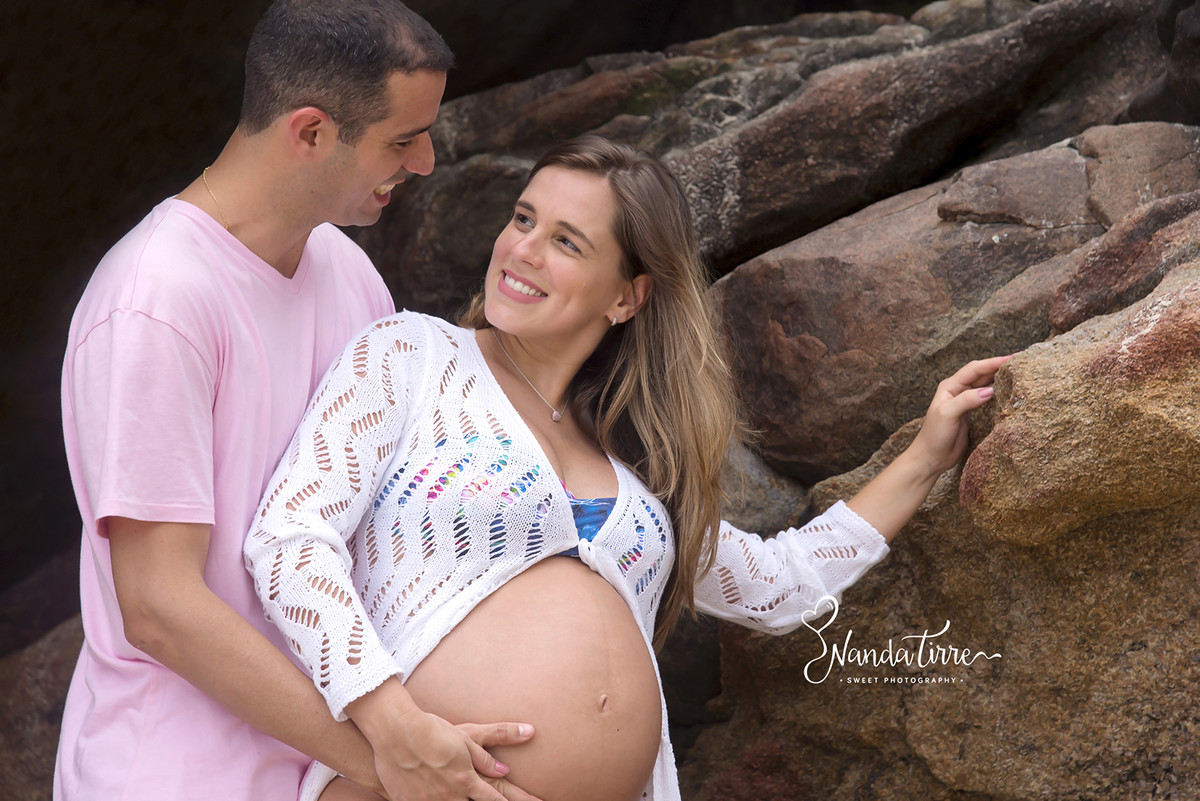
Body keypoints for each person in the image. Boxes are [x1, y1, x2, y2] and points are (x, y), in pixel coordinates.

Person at [245, 135, 1011, 801]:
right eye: (523, 219)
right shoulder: (412, 355)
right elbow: (290, 541)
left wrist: (926, 454)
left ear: (627, 295)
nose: (523, 250)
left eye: (567, 241)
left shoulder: (636, 475)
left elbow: (781, 583)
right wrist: (395, 725)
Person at [56, 3, 537, 800]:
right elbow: (159, 605)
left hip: (327, 767)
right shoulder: (155, 300)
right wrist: (385, 750)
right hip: (176, 774)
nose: (423, 163)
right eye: (401, 138)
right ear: (310, 131)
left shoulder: (351, 276)